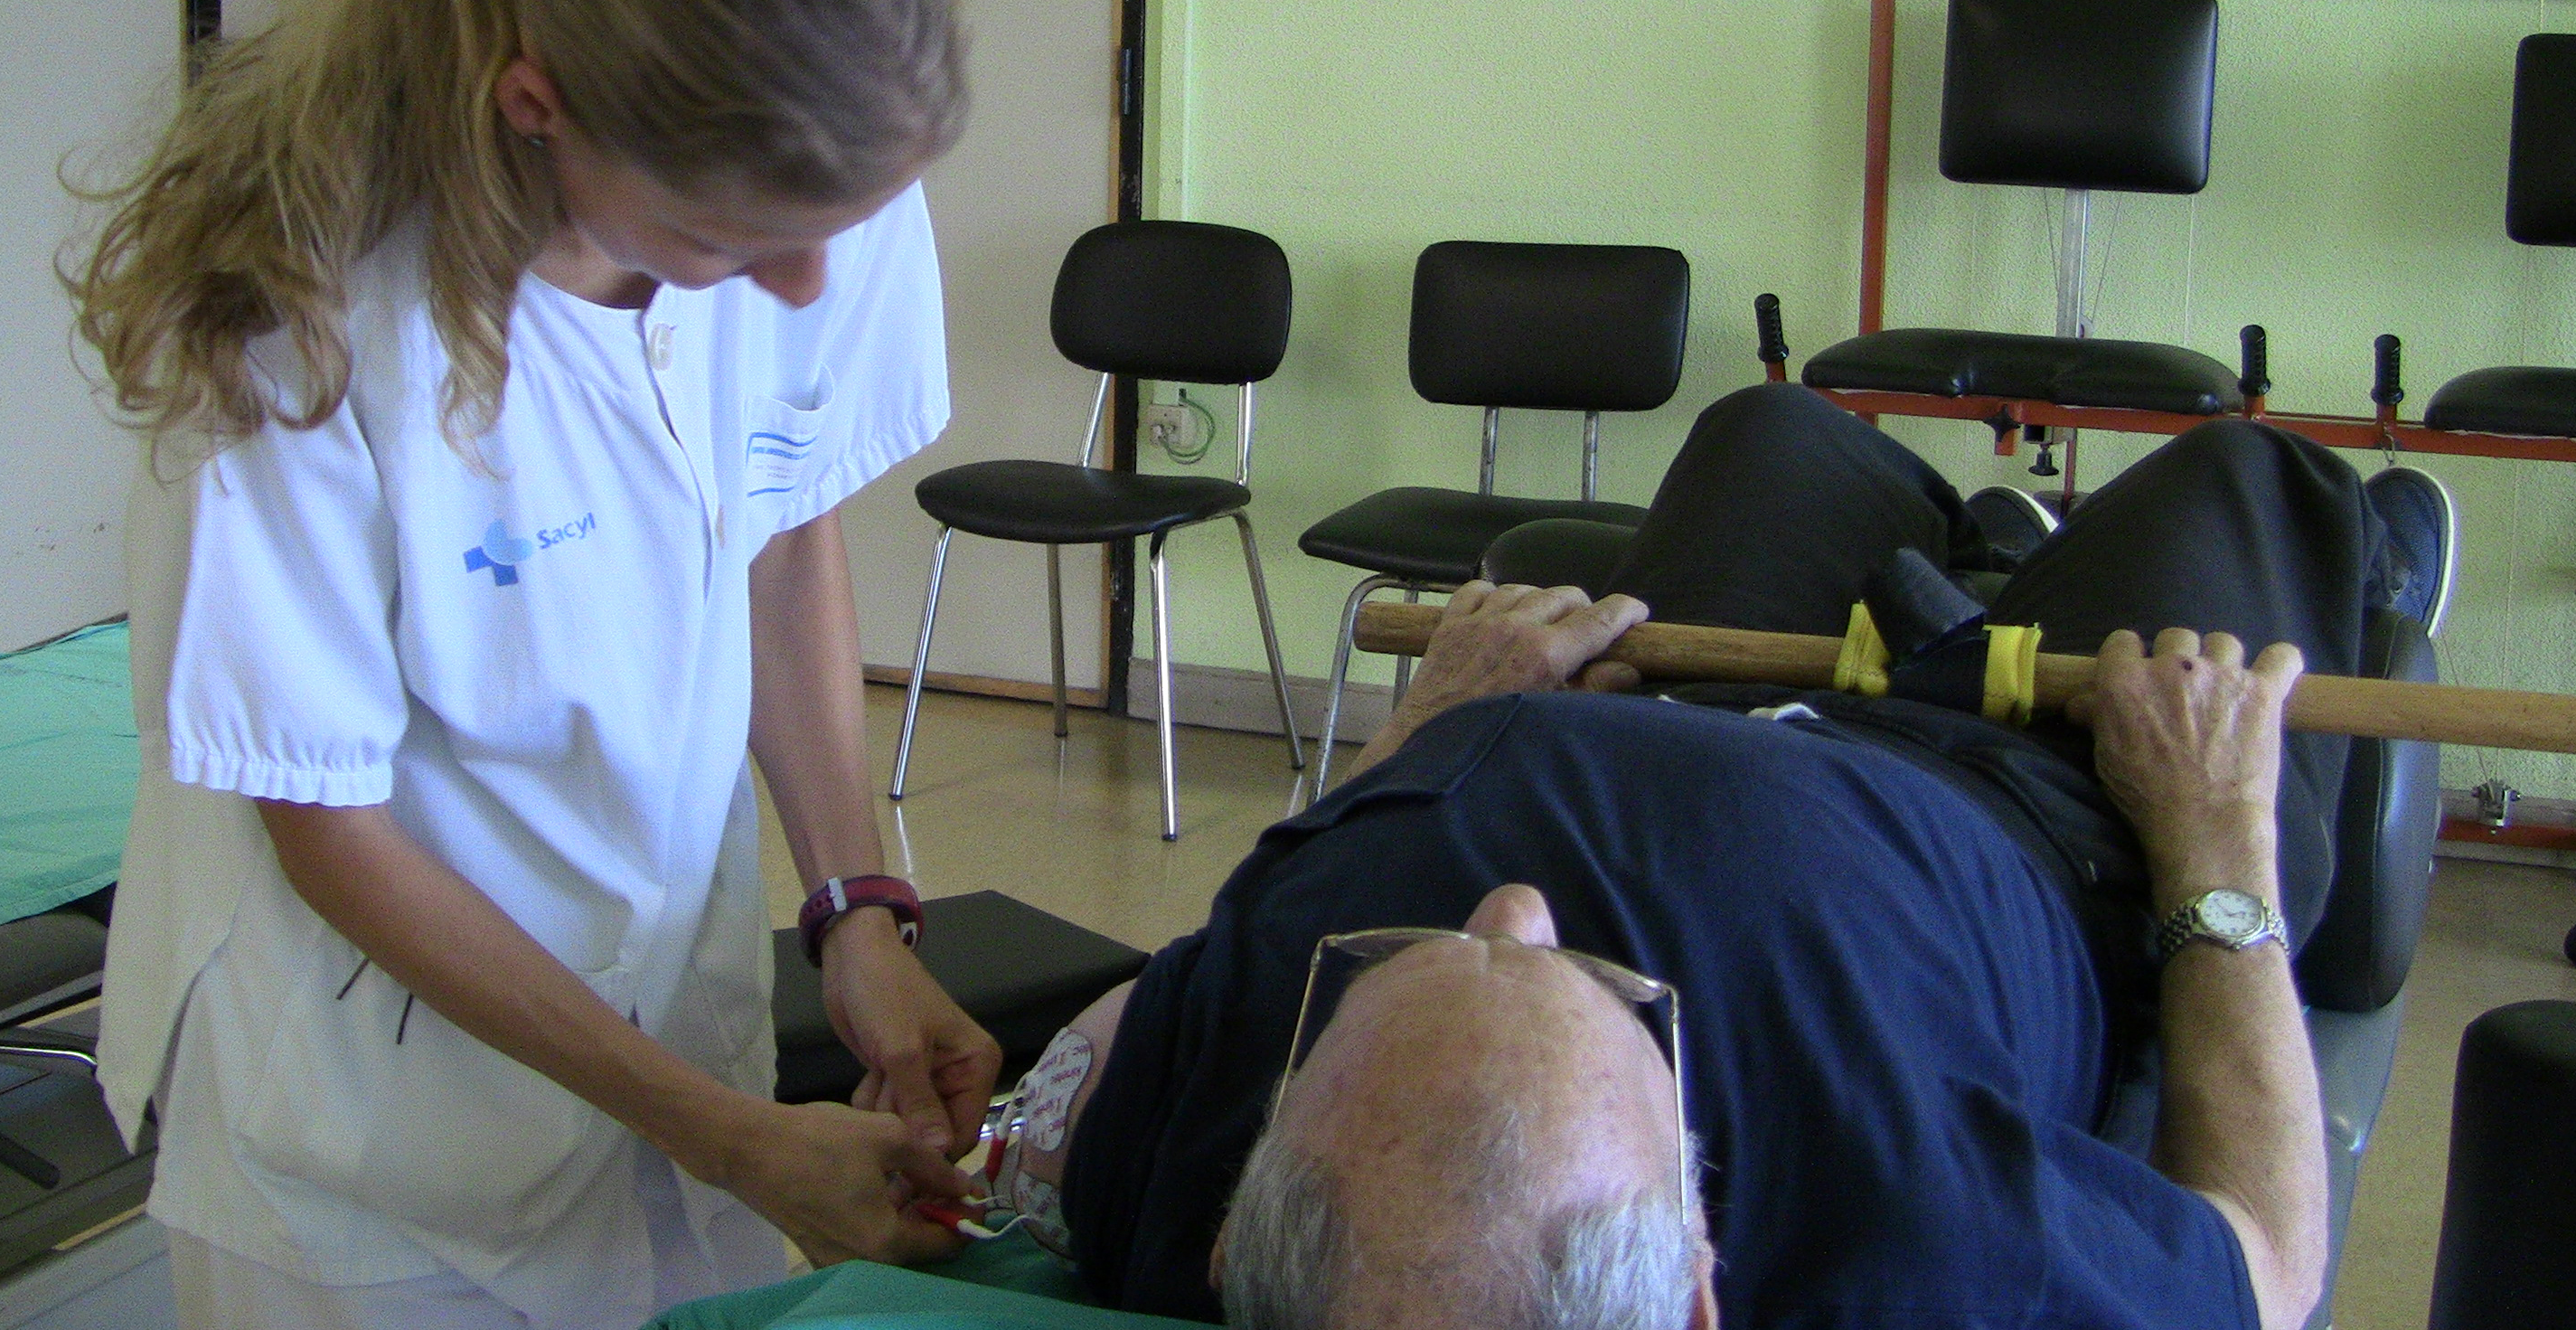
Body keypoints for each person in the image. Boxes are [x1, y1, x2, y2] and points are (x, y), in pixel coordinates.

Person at [74, 0, 999, 1330]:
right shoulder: (300, 327)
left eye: (832, 232)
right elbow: (329, 827)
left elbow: (776, 526)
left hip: (671, 1047)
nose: (801, 285)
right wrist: (726, 1134)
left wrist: (854, 906)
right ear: (534, 103)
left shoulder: (815, 172)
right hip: (373, 1150)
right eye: (729, 239)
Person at [981, 385, 2449, 1330]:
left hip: (1690, 695)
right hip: (2037, 805)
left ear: (1239, 1242)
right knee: (2249, 472)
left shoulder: (1200, 1172)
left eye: (1414, 949)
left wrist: (1420, 736)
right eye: (1591, 984)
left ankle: (1977, 559)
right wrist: (2215, 844)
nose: (1510, 900)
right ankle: (2325, 553)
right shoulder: (1907, 1238)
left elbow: (1143, 1010)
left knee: (1774, 430)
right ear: (1696, 1285)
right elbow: (2264, 1268)